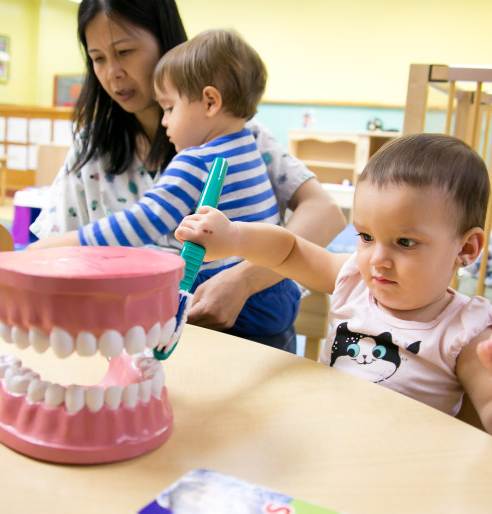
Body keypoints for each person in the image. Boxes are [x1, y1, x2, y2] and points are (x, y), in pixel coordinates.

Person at [175, 133, 492, 451]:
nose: (378, 260)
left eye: (405, 242)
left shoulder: (465, 331)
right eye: (367, 237)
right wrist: (235, 237)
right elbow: (289, 249)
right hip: (323, 443)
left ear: (466, 249)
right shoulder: (354, 279)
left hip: (396, 472)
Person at [27, 0, 346, 351]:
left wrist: (241, 280)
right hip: (130, 336)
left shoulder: (237, 133)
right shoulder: (91, 147)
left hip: (227, 329)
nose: (113, 72)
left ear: (164, 44)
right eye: (98, 58)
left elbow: (326, 214)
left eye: (126, 51)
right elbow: (63, 257)